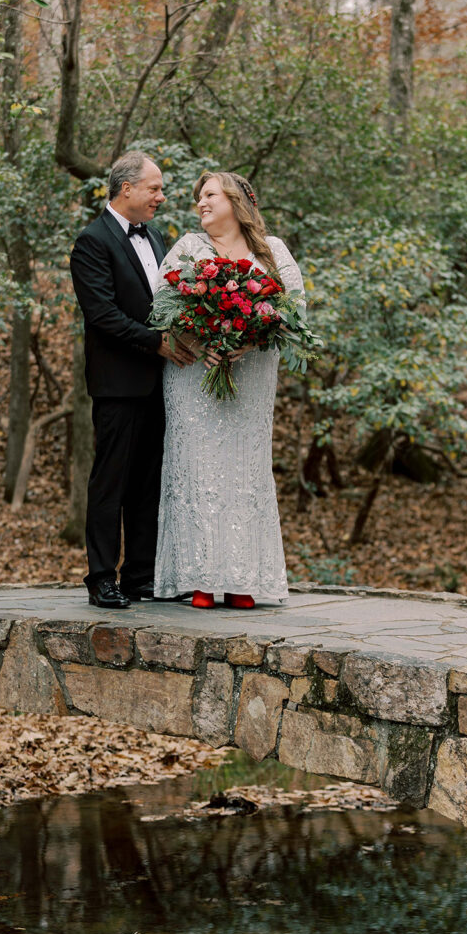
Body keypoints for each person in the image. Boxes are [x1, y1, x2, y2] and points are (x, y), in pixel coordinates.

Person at [153, 171, 305, 609]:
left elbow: (293, 312)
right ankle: (199, 578)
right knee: (197, 466)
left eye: (210, 195)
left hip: (252, 374)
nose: (201, 202)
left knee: (244, 468)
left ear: (236, 201)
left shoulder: (271, 251)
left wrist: (249, 340)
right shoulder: (187, 248)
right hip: (192, 377)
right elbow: (161, 306)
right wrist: (201, 341)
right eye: (199, 197)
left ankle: (241, 579)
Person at [70, 150, 195, 609]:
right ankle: (102, 578)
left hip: (160, 383)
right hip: (118, 384)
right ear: (127, 189)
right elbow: (102, 314)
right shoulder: (91, 241)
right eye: (155, 188)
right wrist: (154, 342)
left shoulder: (157, 236)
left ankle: (141, 575)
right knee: (111, 483)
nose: (161, 197)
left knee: (148, 483)